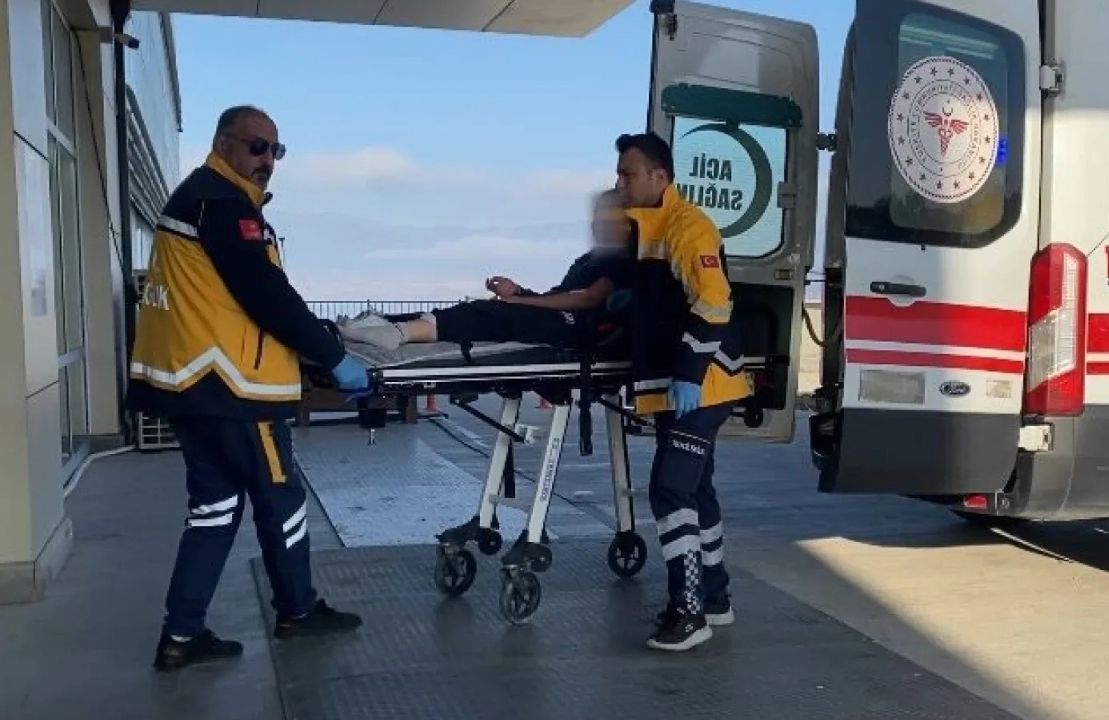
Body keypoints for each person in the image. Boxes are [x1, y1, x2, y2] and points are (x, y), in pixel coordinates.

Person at [128, 105, 370, 672]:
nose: (268, 160)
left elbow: (241, 294)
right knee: (280, 499)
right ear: (223, 144)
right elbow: (265, 293)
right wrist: (333, 356)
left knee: (213, 508)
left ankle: (181, 635)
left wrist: (316, 341)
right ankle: (297, 609)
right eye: (257, 147)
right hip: (236, 389)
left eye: (275, 151)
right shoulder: (221, 203)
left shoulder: (199, 198)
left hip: (193, 385)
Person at [613, 132, 752, 652]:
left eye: (628, 173)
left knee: (671, 490)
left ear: (659, 177)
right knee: (696, 490)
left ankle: (689, 610)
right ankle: (714, 599)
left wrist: (691, 372)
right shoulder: (646, 230)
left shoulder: (688, 227)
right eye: (619, 173)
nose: (620, 182)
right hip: (680, 386)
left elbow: (714, 301)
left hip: (704, 384)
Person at [336, 189, 636, 352]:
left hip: (578, 331)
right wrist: (519, 292)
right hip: (560, 319)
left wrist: (519, 300)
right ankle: (383, 323)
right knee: (481, 308)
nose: (597, 224)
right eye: (597, 216)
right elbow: (559, 298)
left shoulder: (625, 260)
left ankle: (397, 332)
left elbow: (587, 299)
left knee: (491, 313)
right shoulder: (589, 260)